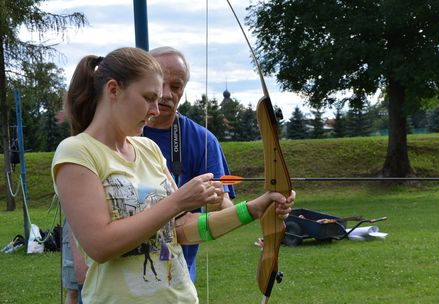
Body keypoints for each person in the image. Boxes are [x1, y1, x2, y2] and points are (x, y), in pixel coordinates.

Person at [52, 47, 295, 303]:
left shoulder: (148, 149)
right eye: (148, 98)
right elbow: (99, 245)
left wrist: (255, 209)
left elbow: (181, 229)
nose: (156, 110)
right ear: (113, 90)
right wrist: (178, 201)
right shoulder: (76, 152)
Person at [143, 46, 234, 281]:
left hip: (176, 280)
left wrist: (217, 201)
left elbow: (225, 209)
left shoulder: (203, 140)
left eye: (176, 87)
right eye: (160, 83)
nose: (166, 94)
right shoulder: (117, 133)